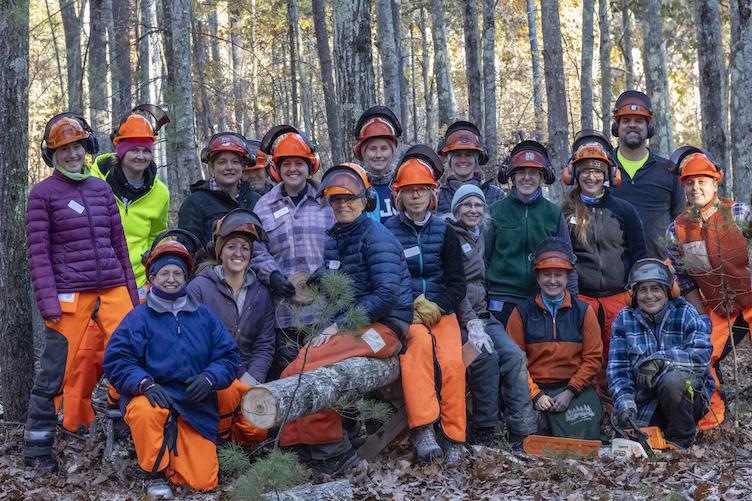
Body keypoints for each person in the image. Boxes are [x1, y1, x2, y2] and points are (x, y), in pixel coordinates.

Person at [277, 163, 413, 475]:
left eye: (349, 198)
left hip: (385, 328)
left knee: (313, 366)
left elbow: (386, 294)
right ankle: (298, 443)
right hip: (354, 323)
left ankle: (332, 450)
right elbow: (337, 284)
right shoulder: (336, 238)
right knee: (296, 362)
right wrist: (311, 285)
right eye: (336, 200)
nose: (342, 205)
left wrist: (338, 326)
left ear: (366, 200)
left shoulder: (376, 237)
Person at [24, 113, 138, 472]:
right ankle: (38, 447)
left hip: (113, 285)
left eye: (77, 147)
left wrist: (132, 296)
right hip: (69, 292)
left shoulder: (101, 188)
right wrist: (47, 300)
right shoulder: (42, 194)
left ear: (86, 149)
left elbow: (119, 244)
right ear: (52, 154)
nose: (73, 154)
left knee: (131, 357)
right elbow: (38, 253)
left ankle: (128, 430)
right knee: (56, 369)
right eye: (64, 149)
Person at [61, 105, 170, 434]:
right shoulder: (95, 180)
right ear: (120, 151)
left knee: (129, 347)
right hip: (91, 280)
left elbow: (157, 236)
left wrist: (151, 278)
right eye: (133, 149)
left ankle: (120, 405)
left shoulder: (160, 192)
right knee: (85, 353)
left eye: (145, 150)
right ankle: (73, 423)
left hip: (135, 283)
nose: (139, 156)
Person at [103, 240, 239, 497]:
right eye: (164, 273)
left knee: (202, 482)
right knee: (146, 411)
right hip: (153, 394)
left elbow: (229, 356)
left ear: (186, 278)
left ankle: (176, 445)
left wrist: (210, 378)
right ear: (152, 277)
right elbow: (117, 360)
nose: (171, 279)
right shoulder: (138, 318)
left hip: (193, 400)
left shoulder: (204, 316)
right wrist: (144, 383)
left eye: (177, 273)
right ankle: (155, 474)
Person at [384, 146, 468, 464]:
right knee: (416, 350)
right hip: (405, 314)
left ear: (431, 194)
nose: (415, 196)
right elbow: (385, 277)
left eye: (421, 190)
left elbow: (458, 284)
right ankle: (423, 429)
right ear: (400, 196)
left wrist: (438, 305)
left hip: (440, 312)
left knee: (452, 362)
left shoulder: (445, 232)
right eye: (409, 191)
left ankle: (454, 438)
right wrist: (406, 307)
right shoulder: (387, 232)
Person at [665, 146, 752, 429]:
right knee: (702, 353)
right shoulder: (676, 229)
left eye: (702, 181)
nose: (695, 188)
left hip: (750, 298)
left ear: (715, 182)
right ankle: (712, 420)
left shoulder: (739, 213)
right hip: (717, 306)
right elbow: (685, 278)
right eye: (690, 183)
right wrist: (701, 315)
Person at [560, 130, 647, 404]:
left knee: (617, 353)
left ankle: (618, 404)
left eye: (597, 171)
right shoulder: (564, 211)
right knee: (584, 353)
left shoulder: (624, 210)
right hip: (581, 296)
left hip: (617, 296)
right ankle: (588, 404)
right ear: (575, 174)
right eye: (584, 171)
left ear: (609, 174)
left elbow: (639, 254)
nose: (591, 176)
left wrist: (636, 290)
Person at [446, 185, 536, 448]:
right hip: (460, 318)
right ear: (456, 209)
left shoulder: (480, 235)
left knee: (514, 356)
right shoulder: (448, 236)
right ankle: (485, 430)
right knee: (486, 356)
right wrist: (470, 321)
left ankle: (523, 432)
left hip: (485, 315)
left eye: (478, 205)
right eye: (467, 205)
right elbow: (455, 286)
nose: (473, 210)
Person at [250, 125, 335, 378]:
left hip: (324, 310)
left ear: (310, 166)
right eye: (286, 164)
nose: (293, 169)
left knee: (324, 378)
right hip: (283, 315)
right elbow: (256, 248)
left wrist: (328, 270)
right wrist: (271, 275)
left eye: (299, 163)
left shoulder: (327, 201)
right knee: (289, 377)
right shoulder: (264, 206)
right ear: (277, 168)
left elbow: (340, 244)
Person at [187, 209, 274, 445]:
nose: (238, 253)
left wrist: (253, 377)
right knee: (225, 400)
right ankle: (219, 444)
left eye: (245, 247)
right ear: (221, 251)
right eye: (231, 246)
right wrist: (237, 375)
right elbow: (196, 343)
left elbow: (265, 344)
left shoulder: (261, 292)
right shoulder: (199, 289)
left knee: (257, 430)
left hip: (248, 376)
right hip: (211, 375)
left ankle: (239, 452)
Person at [608, 259, 714, 449]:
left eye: (655, 288)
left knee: (672, 381)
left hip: (689, 396)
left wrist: (661, 360)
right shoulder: (624, 319)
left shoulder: (685, 313)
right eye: (643, 290)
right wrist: (625, 403)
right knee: (632, 439)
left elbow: (701, 356)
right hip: (646, 399)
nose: (649, 296)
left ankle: (681, 442)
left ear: (668, 291)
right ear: (633, 294)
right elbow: (618, 369)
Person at [507, 238, 603, 440]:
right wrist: (535, 394)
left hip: (573, 388)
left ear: (568, 276)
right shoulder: (521, 313)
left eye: (558, 274)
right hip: (535, 389)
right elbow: (514, 362)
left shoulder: (584, 311)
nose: (552, 280)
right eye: (546, 274)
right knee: (529, 434)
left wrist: (570, 391)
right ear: (537, 276)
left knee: (583, 435)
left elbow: (593, 359)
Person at [486, 140, 578, 325]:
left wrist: (573, 300)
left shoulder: (553, 212)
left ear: (542, 177)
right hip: (502, 298)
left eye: (533, 173)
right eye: (521, 172)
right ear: (512, 176)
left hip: (542, 296)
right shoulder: (495, 211)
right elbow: (483, 258)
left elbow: (568, 258)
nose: (527, 178)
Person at [609, 90, 684, 259]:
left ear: (648, 127)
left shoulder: (669, 170)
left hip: (659, 273)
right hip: (612, 276)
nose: (632, 125)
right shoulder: (602, 169)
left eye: (639, 121)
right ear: (616, 127)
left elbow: (682, 222)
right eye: (626, 120)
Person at [178, 132, 261, 247]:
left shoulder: (256, 201)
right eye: (222, 162)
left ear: (243, 166)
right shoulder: (195, 204)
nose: (229, 167)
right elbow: (186, 249)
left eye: (235, 162)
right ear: (212, 166)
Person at [436, 120, 503, 215]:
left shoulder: (495, 195)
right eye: (457, 155)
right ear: (449, 159)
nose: (463, 160)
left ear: (477, 159)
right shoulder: (438, 196)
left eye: (469, 155)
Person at [352, 106, 402, 222]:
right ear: (362, 153)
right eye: (372, 149)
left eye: (384, 148)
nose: (378, 155)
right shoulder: (355, 189)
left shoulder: (403, 186)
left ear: (392, 152)